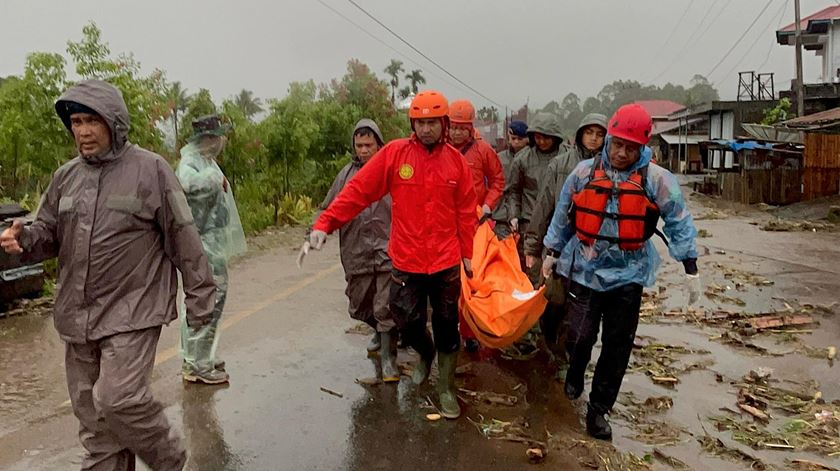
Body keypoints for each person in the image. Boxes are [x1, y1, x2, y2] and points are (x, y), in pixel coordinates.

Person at [0, 79, 215, 470]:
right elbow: (48, 231)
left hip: (133, 309)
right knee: (95, 421)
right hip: (77, 314)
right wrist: (25, 237)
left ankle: (168, 457)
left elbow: (184, 235)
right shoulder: (66, 177)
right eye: (76, 122)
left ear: (113, 123)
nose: (82, 131)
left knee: (119, 399)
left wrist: (200, 299)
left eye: (91, 121)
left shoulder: (151, 170)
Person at [309, 90, 478, 419]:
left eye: (432, 122)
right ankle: (425, 354)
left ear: (444, 124)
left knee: (446, 324)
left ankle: (445, 388)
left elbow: (466, 210)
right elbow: (358, 192)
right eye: (420, 122)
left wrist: (468, 252)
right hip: (406, 259)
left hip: (445, 261)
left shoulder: (456, 162)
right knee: (406, 321)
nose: (426, 129)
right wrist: (325, 223)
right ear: (412, 123)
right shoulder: (395, 155)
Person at [543, 104, 701, 440]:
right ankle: (575, 369)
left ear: (642, 147)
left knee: (617, 346)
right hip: (585, 271)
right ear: (608, 140)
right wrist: (551, 252)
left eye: (631, 148)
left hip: (629, 276)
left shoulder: (657, 179)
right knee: (580, 336)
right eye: (617, 144)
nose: (621, 153)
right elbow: (562, 212)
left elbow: (678, 219)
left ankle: (599, 409)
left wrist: (690, 265)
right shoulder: (583, 173)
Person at [300, 119, 398, 381]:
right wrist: (316, 231)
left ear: (379, 145)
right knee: (359, 304)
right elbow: (328, 208)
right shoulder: (345, 176)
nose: (364, 150)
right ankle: (379, 329)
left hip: (389, 249)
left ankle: (389, 358)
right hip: (356, 251)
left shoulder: (393, 170)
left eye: (369, 145)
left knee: (385, 305)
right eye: (360, 145)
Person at [524, 114, 607, 358]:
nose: (593, 138)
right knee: (554, 301)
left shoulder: (611, 168)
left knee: (582, 307)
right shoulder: (560, 165)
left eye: (599, 134)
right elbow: (544, 206)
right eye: (589, 132)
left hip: (593, 250)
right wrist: (532, 246)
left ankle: (566, 356)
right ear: (580, 133)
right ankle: (550, 341)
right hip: (559, 245)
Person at [176, 114, 247, 385]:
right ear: (206, 139)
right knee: (207, 300)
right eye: (217, 136)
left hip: (212, 242)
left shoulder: (205, 160)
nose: (221, 141)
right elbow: (186, 184)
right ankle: (197, 365)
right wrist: (213, 179)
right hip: (202, 243)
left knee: (210, 298)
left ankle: (199, 356)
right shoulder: (191, 162)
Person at [448, 99, 505, 352]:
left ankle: (470, 332)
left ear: (471, 127)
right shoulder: (440, 149)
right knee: (448, 284)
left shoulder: (483, 151)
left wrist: (488, 206)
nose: (458, 131)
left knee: (471, 281)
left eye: (463, 127)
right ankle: (449, 330)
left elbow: (497, 180)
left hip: (475, 227)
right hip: (444, 226)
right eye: (453, 126)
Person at [499, 112, 565, 283]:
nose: (542, 141)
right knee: (532, 274)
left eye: (546, 137)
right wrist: (514, 215)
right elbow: (513, 190)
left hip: (558, 223)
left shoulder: (566, 157)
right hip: (529, 224)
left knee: (558, 277)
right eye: (538, 137)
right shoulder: (522, 159)